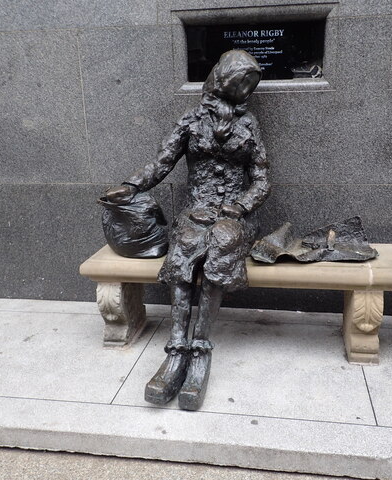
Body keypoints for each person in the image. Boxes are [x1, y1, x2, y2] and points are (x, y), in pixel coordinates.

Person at [106, 50, 271, 410]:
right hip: (196, 210)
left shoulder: (249, 125)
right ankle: (176, 349)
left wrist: (242, 205)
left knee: (222, 246)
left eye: (251, 85)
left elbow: (261, 180)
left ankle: (201, 349)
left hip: (234, 214)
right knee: (186, 247)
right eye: (240, 81)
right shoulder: (191, 120)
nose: (245, 90)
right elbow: (161, 163)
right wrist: (131, 186)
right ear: (222, 78)